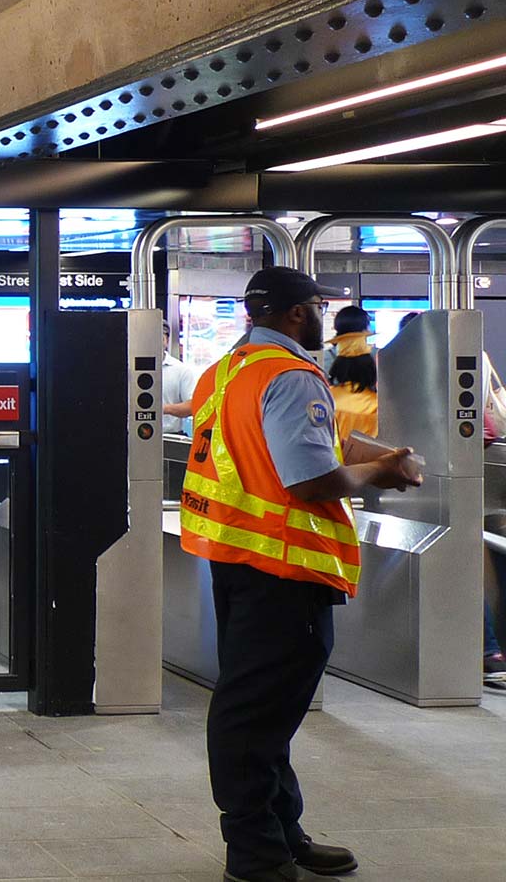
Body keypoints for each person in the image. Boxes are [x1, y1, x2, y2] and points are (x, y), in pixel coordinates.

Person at [180, 267, 422, 882]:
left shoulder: (226, 371)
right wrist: (383, 472)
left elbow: (262, 453)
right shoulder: (290, 375)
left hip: (237, 558)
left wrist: (355, 451)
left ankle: (282, 832)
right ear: (295, 314)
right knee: (254, 711)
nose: (321, 317)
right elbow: (308, 479)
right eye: (317, 306)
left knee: (266, 708)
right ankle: (254, 851)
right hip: (284, 567)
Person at [326, 327, 378, 444]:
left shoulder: (325, 397)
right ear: (370, 369)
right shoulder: (376, 405)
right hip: (367, 461)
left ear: (337, 367)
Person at [161, 319, 199, 435]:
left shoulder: (181, 370)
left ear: (166, 340)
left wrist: (163, 409)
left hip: (169, 436)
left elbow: (192, 405)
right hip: (133, 437)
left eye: (159, 338)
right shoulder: (128, 369)